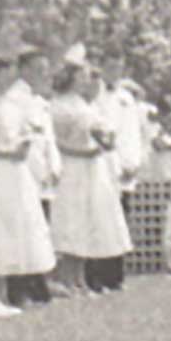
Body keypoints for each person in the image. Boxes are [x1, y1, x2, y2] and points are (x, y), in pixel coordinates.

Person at [0, 55, 55, 316]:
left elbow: (25, 131)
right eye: (5, 73)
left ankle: (16, 289)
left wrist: (24, 143)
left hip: (18, 173)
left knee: (19, 227)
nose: (10, 79)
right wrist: (3, 152)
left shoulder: (15, 104)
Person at [51, 56, 132, 293]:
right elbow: (57, 142)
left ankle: (80, 278)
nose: (86, 81)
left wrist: (105, 142)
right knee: (72, 219)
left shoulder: (86, 105)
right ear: (71, 78)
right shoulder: (59, 106)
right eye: (82, 76)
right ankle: (66, 278)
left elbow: (101, 132)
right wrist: (82, 151)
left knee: (89, 218)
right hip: (72, 165)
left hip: (92, 167)